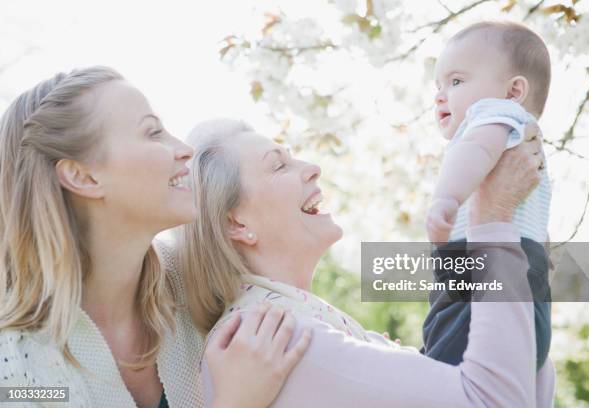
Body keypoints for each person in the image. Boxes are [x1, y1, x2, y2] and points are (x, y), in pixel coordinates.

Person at [181, 119, 555, 407]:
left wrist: (522, 248)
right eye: (278, 166)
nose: (312, 167)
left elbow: (516, 381)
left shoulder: (307, 325)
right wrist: (494, 221)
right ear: (237, 223)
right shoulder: (272, 335)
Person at [0, 67, 311, 408]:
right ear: (83, 176)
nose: (184, 150)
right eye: (153, 133)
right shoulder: (14, 369)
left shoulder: (200, 283)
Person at [424, 21, 552, 371]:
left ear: (513, 91)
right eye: (439, 85)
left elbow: (477, 149)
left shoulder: (494, 115)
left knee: (445, 358)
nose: (440, 94)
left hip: (485, 267)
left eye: (456, 81)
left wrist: (446, 199)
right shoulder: (518, 132)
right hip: (522, 269)